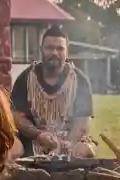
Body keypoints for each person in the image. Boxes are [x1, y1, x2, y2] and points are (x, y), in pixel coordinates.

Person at [9, 26, 97, 160]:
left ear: (67, 52)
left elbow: (82, 123)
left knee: (86, 149)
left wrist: (69, 143)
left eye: (60, 48)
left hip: (69, 140)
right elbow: (17, 117)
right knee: (12, 148)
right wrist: (38, 135)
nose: (54, 53)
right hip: (33, 139)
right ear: (41, 50)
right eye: (49, 48)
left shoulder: (80, 80)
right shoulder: (26, 79)